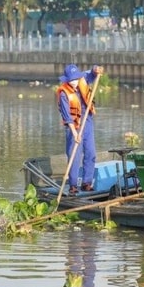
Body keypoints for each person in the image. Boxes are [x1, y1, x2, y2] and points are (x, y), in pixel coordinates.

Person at [57, 63, 104, 195]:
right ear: (66, 80)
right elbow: (67, 116)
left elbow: (92, 72)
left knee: (90, 152)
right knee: (74, 155)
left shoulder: (82, 80)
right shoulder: (63, 93)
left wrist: (96, 69)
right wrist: (74, 133)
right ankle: (73, 185)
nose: (74, 82)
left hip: (87, 121)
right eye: (71, 80)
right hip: (74, 124)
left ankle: (86, 183)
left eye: (75, 79)